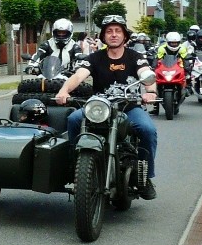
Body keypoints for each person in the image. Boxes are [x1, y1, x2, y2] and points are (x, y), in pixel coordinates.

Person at [55, 15, 158, 200]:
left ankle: (145, 177)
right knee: (73, 119)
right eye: (109, 31)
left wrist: (150, 91)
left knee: (147, 130)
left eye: (118, 31)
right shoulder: (94, 58)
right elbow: (79, 76)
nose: (113, 35)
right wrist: (64, 91)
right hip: (99, 108)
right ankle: (74, 166)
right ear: (103, 36)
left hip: (128, 107)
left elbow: (146, 73)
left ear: (125, 35)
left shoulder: (136, 57)